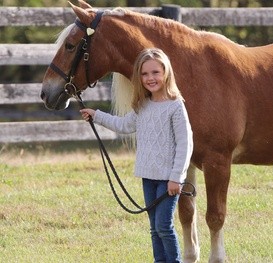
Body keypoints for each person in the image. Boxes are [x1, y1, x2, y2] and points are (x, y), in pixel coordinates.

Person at [80, 48, 193, 263]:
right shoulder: (142, 105)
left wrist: (176, 177)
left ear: (166, 73)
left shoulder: (175, 106)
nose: (150, 78)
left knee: (163, 226)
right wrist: (97, 116)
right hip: (148, 177)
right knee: (154, 228)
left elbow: (185, 143)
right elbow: (123, 124)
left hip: (168, 178)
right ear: (139, 77)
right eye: (145, 74)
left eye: (155, 72)